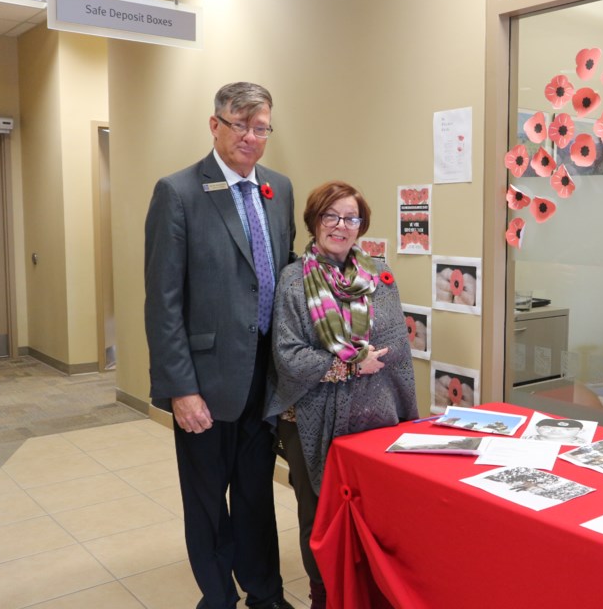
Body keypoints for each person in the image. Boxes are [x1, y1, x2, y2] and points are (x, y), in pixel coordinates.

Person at [144, 82, 296, 609]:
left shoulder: (279, 189)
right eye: (240, 126)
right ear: (215, 125)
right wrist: (179, 389)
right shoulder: (179, 191)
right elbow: (162, 303)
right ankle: (216, 597)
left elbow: (283, 274)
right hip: (205, 381)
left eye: (261, 128)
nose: (251, 138)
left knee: (256, 495)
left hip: (264, 377)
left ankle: (264, 591)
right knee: (208, 501)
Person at [265, 180, 418, 608]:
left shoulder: (377, 275)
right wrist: (349, 366)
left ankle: (369, 592)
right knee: (319, 516)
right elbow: (289, 356)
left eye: (350, 218)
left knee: (375, 519)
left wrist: (407, 414)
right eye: (330, 216)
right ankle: (325, 594)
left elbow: (397, 350)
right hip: (310, 419)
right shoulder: (294, 280)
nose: (340, 226)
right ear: (315, 221)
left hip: (374, 420)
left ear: (361, 225)